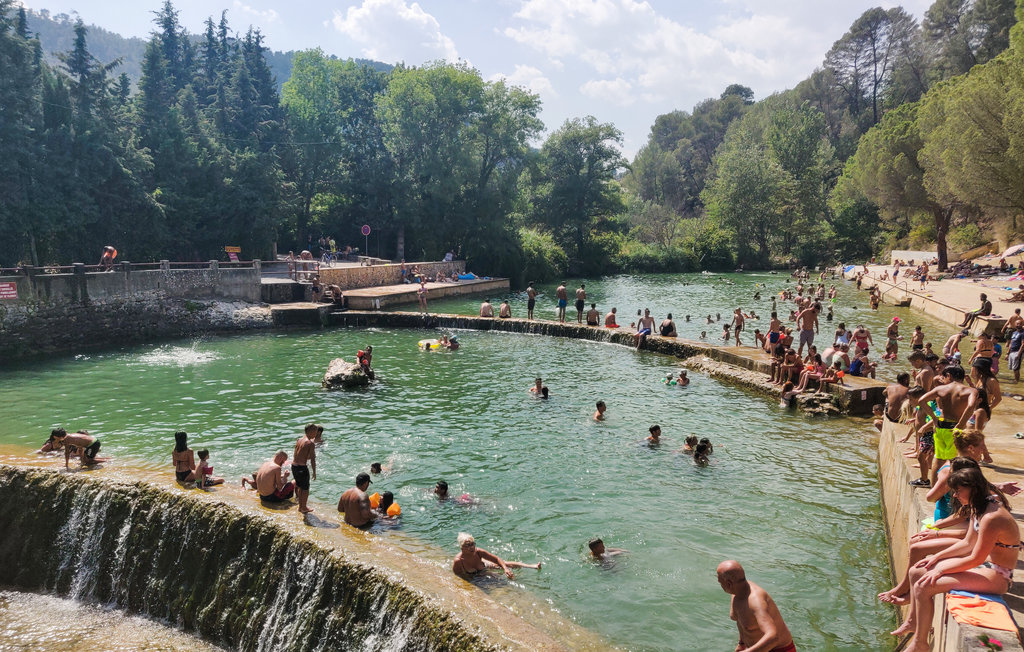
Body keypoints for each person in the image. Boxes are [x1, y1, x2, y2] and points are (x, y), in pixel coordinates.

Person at [891, 467, 1021, 652]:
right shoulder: (980, 507)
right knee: (917, 571)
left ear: (973, 488)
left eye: (958, 491)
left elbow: (976, 558)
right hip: (987, 568)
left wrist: (940, 569)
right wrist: (936, 558)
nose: (955, 495)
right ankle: (914, 623)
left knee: (923, 586)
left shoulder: (992, 517)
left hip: (998, 576)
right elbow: (967, 543)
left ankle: (920, 644)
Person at [917, 366, 980, 483]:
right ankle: (950, 489)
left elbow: (921, 401)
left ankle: (934, 488)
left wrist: (934, 418)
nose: (942, 380)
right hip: (955, 428)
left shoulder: (941, 389)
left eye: (943, 377)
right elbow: (971, 406)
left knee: (938, 459)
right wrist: (960, 424)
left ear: (949, 376)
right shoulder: (971, 391)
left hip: (940, 427)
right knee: (954, 460)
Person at [717, 560, 796, 652]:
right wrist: (741, 644)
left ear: (728, 584)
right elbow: (741, 621)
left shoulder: (756, 602)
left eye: (720, 582)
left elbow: (773, 637)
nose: (720, 585)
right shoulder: (736, 592)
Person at [452, 532, 540, 580]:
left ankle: (532, 566)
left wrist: (505, 569)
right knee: (498, 577)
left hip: (484, 565)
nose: (472, 547)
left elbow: (497, 559)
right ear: (462, 547)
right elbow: (458, 577)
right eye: (468, 545)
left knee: (504, 564)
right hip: (477, 575)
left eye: (472, 544)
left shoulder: (478, 552)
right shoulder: (459, 561)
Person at [292, 423, 318, 514]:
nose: (316, 433)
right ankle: (303, 507)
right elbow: (313, 459)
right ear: (310, 431)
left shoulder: (299, 440)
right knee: (305, 488)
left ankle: (300, 505)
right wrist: (314, 472)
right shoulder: (310, 443)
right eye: (315, 431)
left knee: (299, 486)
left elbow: (296, 454)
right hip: (302, 468)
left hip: (294, 466)